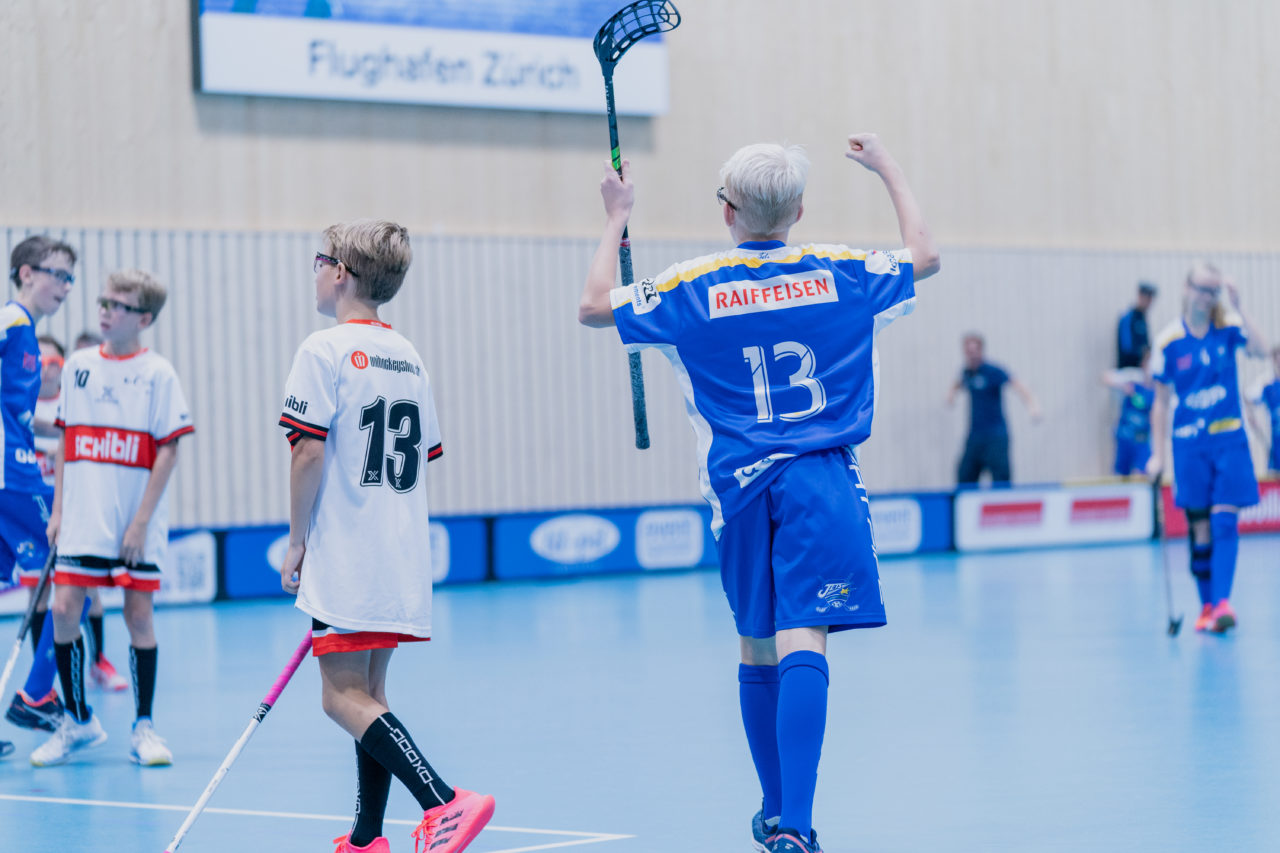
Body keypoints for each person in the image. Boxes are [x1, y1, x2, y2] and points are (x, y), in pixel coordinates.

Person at [579, 134, 940, 853]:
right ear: (800, 209)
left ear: (727, 212)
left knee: (755, 643)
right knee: (806, 634)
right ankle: (797, 827)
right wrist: (889, 168)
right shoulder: (841, 271)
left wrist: (617, 215)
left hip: (738, 486)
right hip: (822, 480)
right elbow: (924, 256)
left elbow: (593, 306)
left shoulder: (691, 284)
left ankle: (775, 810)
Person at [279, 220, 494, 853]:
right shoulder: (409, 354)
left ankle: (445, 802)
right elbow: (421, 455)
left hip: (349, 555)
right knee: (368, 693)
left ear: (340, 271)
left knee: (339, 697)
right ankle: (368, 837)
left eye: (319, 260)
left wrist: (297, 539)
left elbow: (307, 455)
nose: (314, 270)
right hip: (397, 549)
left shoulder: (323, 350)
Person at [32, 269, 194, 767]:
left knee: (137, 616)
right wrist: (58, 510)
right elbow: (65, 442)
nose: (104, 310)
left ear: (143, 318)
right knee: (63, 611)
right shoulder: (79, 365)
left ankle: (144, 726)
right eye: (103, 301)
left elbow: (168, 452)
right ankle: (79, 720)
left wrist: (141, 522)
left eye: (117, 305)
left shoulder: (158, 374)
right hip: (83, 516)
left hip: (134, 519)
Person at [1147, 263, 1267, 634]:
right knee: (1199, 531)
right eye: (1202, 288)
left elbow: (1263, 351)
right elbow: (1161, 402)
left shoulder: (1228, 327)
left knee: (1225, 520)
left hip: (1229, 439)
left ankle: (1222, 604)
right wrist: (1157, 455)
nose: (1207, 296)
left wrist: (1239, 304)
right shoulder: (1168, 341)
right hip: (1188, 446)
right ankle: (1206, 608)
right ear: (1186, 287)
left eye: (1214, 290)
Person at [0, 237, 76, 759]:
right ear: (26, 272)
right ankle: (34, 696)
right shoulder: (12, 322)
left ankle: (37, 691)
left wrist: (74, 429)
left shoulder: (26, 334)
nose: (67, 287)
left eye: (72, 278)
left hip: (15, 465)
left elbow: (21, 418)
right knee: (76, 565)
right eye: (58, 274)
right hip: (12, 476)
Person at [946, 333, 1042, 486]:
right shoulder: (966, 373)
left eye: (974, 351)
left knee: (1001, 478)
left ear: (981, 351)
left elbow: (1019, 386)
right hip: (975, 436)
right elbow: (958, 383)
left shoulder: (993, 371)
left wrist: (1033, 406)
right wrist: (951, 395)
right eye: (968, 352)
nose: (971, 356)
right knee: (965, 476)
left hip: (995, 436)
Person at [1101, 347, 1155, 477]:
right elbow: (1105, 377)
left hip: (1142, 439)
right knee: (1120, 475)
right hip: (1125, 437)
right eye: (1149, 364)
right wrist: (1124, 386)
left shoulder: (1158, 390)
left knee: (1141, 475)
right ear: (1143, 365)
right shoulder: (1134, 379)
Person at [1245, 345, 1280, 476]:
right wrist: (1251, 418)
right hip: (1276, 447)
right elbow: (1247, 397)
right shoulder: (1267, 384)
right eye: (1277, 360)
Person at [1118, 281, 1157, 369]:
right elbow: (1127, 347)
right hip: (1128, 369)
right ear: (1140, 296)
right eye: (1147, 298)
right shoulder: (1128, 317)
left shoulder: (1143, 317)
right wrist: (1144, 355)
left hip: (1141, 370)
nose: (1149, 303)